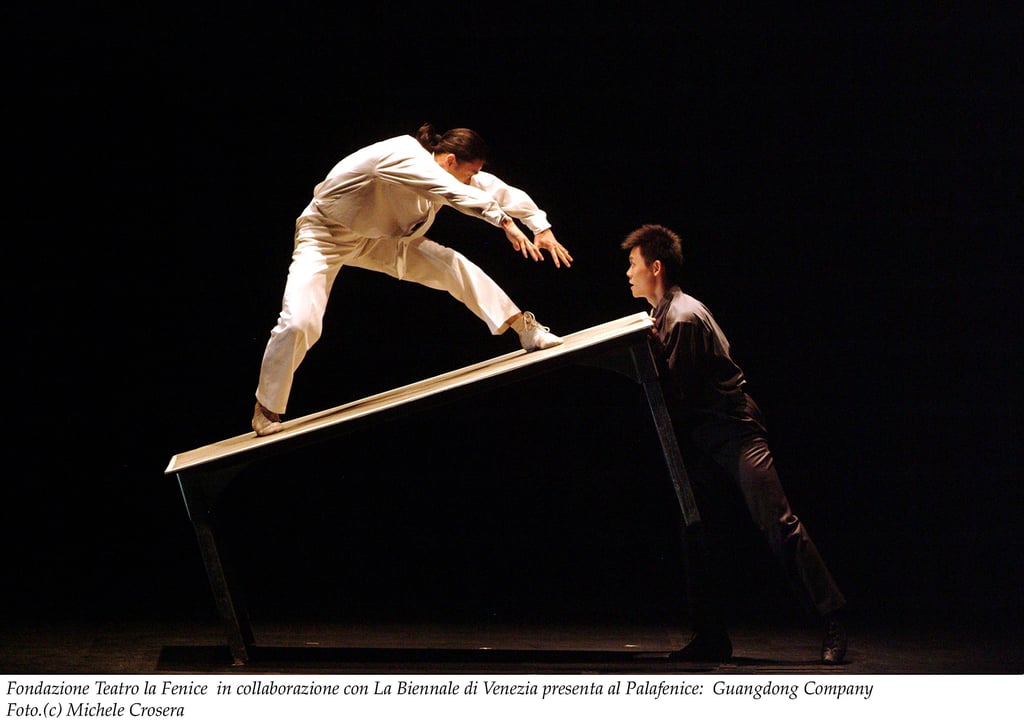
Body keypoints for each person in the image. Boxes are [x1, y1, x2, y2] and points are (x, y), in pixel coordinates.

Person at [252, 123, 573, 436]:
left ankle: (525, 329)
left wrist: (539, 226)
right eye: (470, 172)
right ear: (450, 161)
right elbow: (452, 190)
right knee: (300, 322)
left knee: (452, 265)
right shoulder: (404, 155)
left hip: (381, 241)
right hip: (325, 236)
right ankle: (266, 406)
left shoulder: (448, 170)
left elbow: (495, 189)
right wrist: (504, 222)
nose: (473, 179)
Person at [621, 223, 848, 664]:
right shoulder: (663, 315)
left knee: (777, 523)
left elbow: (679, 393)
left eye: (633, 264)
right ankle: (710, 636)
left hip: (734, 431)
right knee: (695, 528)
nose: (628, 273)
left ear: (656, 267)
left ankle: (833, 618)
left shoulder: (683, 316)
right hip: (704, 434)